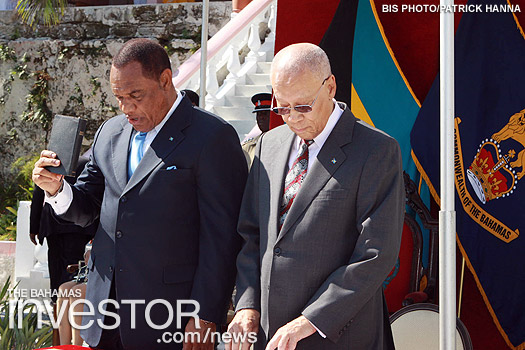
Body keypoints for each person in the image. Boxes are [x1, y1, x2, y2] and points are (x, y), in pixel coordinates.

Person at [32, 38, 248, 350]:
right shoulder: (110, 132)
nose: (126, 107)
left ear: (165, 80)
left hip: (170, 317)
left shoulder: (212, 137)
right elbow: (89, 206)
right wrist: (57, 190)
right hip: (103, 313)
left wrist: (204, 313)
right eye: (119, 97)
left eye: (135, 95)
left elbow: (223, 238)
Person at [227, 43, 404, 350]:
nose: (292, 118)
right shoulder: (269, 145)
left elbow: (376, 254)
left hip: (338, 334)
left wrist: (312, 319)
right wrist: (247, 304)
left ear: (330, 86)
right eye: (282, 107)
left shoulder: (375, 150)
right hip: (270, 335)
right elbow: (252, 235)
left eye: (303, 106)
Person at [30, 155, 96, 304]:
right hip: (79, 228)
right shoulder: (89, 164)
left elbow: (39, 194)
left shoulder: (51, 166)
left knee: (56, 266)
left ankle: (57, 303)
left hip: (54, 226)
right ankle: (67, 305)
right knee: (75, 268)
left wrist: (34, 228)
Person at [241, 93, 272, 165]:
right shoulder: (248, 147)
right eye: (259, 114)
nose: (261, 117)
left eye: (265, 113)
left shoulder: (286, 144)